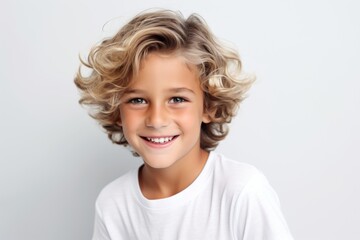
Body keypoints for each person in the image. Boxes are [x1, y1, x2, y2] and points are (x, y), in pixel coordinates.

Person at [74, 9, 294, 240]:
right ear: (116, 109)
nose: (157, 120)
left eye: (177, 99)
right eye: (137, 100)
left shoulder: (242, 191)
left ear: (209, 106)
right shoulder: (113, 203)